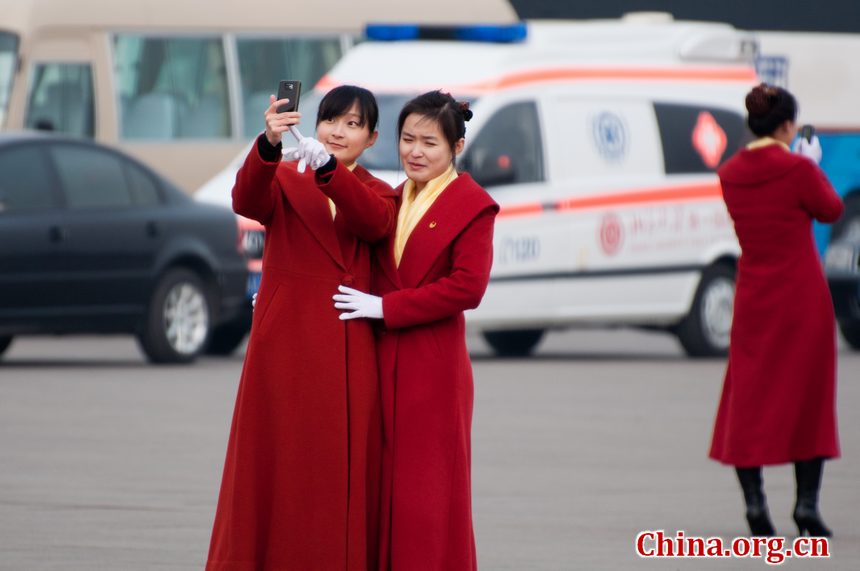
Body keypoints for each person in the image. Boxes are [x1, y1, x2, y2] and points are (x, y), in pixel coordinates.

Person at [206, 85, 397, 570]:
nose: (339, 131)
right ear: (315, 125)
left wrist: (330, 172)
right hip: (285, 344)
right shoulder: (287, 180)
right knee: (273, 465)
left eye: (354, 125)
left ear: (371, 138)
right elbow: (245, 199)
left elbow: (372, 223)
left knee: (335, 473)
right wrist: (269, 144)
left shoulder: (378, 192)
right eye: (332, 120)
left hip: (345, 345)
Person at [333, 90, 499, 570]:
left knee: (426, 497)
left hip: (433, 367)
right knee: (382, 487)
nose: (416, 151)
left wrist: (388, 308)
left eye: (430, 142)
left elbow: (468, 288)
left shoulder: (473, 205)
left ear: (456, 149)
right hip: (380, 359)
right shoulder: (389, 195)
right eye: (408, 139)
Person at [709, 83, 844, 537]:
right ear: (788, 125)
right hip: (803, 297)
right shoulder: (798, 170)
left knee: (748, 400)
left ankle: (754, 503)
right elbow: (830, 209)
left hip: (754, 297)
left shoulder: (730, 173)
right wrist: (810, 164)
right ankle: (806, 505)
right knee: (809, 398)